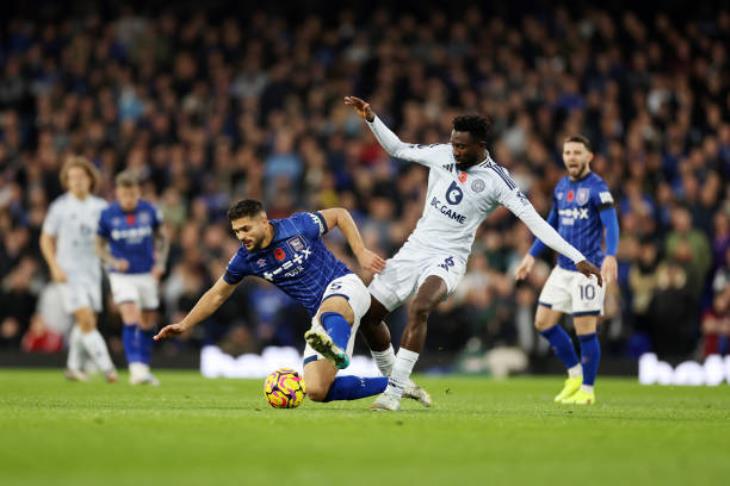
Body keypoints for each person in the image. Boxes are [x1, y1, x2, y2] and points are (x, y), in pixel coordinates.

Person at [344, 96, 602, 411]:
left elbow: (536, 223)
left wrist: (577, 257)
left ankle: (393, 394)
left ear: (481, 145)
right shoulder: (440, 154)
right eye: (454, 144)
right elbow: (397, 148)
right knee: (370, 317)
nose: (456, 151)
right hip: (415, 249)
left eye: (463, 147)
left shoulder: (497, 180)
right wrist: (371, 117)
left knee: (420, 306)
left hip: (448, 258)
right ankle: (398, 380)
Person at [154, 199, 431, 405]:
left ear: (264, 221)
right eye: (237, 231)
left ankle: (335, 347)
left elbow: (339, 214)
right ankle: (396, 383)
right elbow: (216, 294)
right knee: (316, 390)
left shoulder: (297, 226)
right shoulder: (245, 259)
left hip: (346, 287)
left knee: (330, 309)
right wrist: (185, 323)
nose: (242, 236)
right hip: (320, 316)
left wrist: (359, 252)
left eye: (246, 228)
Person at [515, 135, 620, 405]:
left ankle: (587, 390)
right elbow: (549, 228)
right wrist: (531, 256)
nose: (571, 157)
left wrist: (611, 255)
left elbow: (612, 223)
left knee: (584, 330)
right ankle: (574, 374)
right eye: (567, 152)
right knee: (542, 322)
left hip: (588, 270)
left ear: (589, 157)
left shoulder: (598, 188)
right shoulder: (561, 187)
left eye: (577, 152)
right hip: (561, 269)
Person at [39, 156, 117, 382]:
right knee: (86, 320)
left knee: (84, 322)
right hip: (68, 273)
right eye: (72, 178)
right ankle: (108, 369)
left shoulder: (101, 207)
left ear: (91, 180)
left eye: (81, 177)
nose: (77, 181)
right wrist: (54, 266)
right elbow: (45, 239)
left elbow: (109, 240)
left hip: (92, 273)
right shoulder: (60, 207)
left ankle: (73, 367)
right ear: (66, 181)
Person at [97, 171, 169, 385]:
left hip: (146, 273)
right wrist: (112, 262)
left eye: (132, 194)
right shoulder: (107, 214)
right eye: (124, 195)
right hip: (121, 275)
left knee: (148, 321)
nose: (128, 199)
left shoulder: (150, 211)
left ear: (138, 192)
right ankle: (135, 367)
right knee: (131, 316)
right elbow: (98, 246)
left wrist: (160, 264)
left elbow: (163, 239)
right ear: (117, 193)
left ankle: (144, 367)